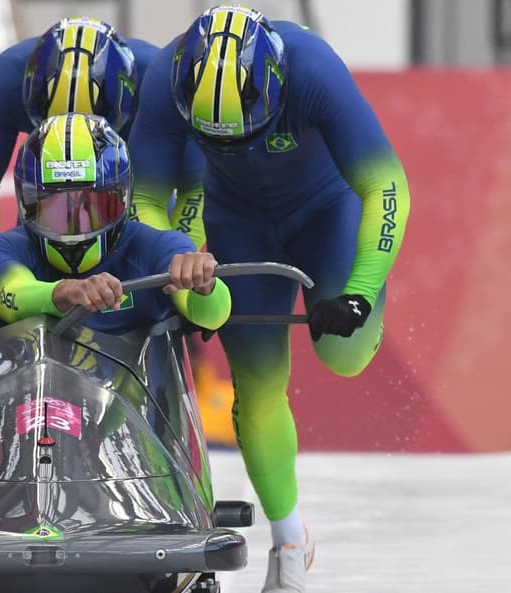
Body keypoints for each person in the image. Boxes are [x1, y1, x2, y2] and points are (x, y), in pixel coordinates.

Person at [125, 5, 411, 592]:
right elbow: (145, 203)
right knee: (256, 386)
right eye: (214, 136)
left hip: (327, 209)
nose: (235, 142)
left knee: (344, 351)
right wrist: (180, 252)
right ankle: (289, 540)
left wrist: (357, 292)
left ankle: (362, 307)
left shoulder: (311, 68)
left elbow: (385, 184)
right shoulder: (166, 75)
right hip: (235, 219)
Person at [0, 17, 180, 327]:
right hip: (54, 187)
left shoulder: (160, 80)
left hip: (120, 188)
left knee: (160, 270)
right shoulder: (4, 81)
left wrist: (181, 273)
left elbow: (186, 189)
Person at [0, 112, 231, 339]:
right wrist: (65, 292)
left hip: (140, 392)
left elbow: (212, 316)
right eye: (56, 207)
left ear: (122, 198)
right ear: (27, 204)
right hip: (38, 392)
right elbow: (11, 293)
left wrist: (205, 286)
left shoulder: (161, 247)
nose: (74, 223)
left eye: (91, 206)